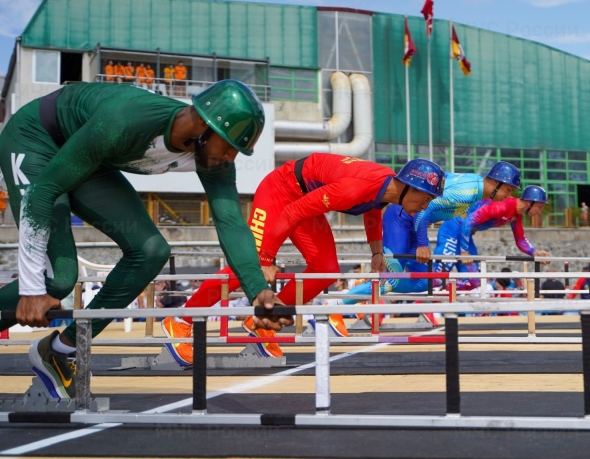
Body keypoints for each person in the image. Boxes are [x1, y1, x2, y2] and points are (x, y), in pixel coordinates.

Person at [0, 79, 289, 400]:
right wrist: (29, 290)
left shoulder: (213, 154)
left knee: (150, 251)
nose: (231, 157)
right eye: (230, 146)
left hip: (88, 156)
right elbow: (41, 192)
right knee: (57, 280)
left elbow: (231, 222)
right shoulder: (124, 121)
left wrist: (257, 291)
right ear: (202, 126)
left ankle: (59, 349)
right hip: (37, 139)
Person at [161, 156, 446, 366]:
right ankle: (182, 319)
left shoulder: (387, 189)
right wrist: (265, 258)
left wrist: (376, 252)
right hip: (280, 190)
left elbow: (373, 210)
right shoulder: (354, 188)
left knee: (326, 271)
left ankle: (261, 322)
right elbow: (292, 211)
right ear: (410, 186)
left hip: (302, 199)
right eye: (427, 198)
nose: (427, 205)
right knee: (247, 268)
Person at [340, 162, 522, 321]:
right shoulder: (467, 192)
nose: (509, 195)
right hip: (400, 218)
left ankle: (363, 289)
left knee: (424, 282)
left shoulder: (475, 187)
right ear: (497, 183)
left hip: (414, 224)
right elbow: (423, 209)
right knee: (391, 281)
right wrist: (422, 244)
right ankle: (335, 308)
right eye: (509, 189)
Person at [432, 184, 551, 290]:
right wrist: (464, 251)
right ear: (530, 202)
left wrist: (534, 252)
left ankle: (440, 294)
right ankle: (423, 295)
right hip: (452, 229)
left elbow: (520, 240)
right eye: (539, 207)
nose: (539, 211)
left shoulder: (516, 216)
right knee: (436, 280)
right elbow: (467, 223)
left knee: (473, 282)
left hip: (464, 235)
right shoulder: (503, 206)